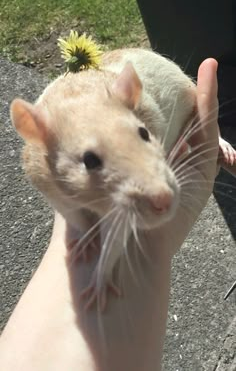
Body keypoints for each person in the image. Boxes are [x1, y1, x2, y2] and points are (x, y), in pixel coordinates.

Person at [0, 59, 219, 371]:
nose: (163, 193)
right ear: (33, 129)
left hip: (166, 97)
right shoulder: (42, 157)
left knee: (179, 106)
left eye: (143, 135)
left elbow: (152, 120)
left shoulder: (137, 106)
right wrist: (81, 227)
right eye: (91, 160)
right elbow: (59, 194)